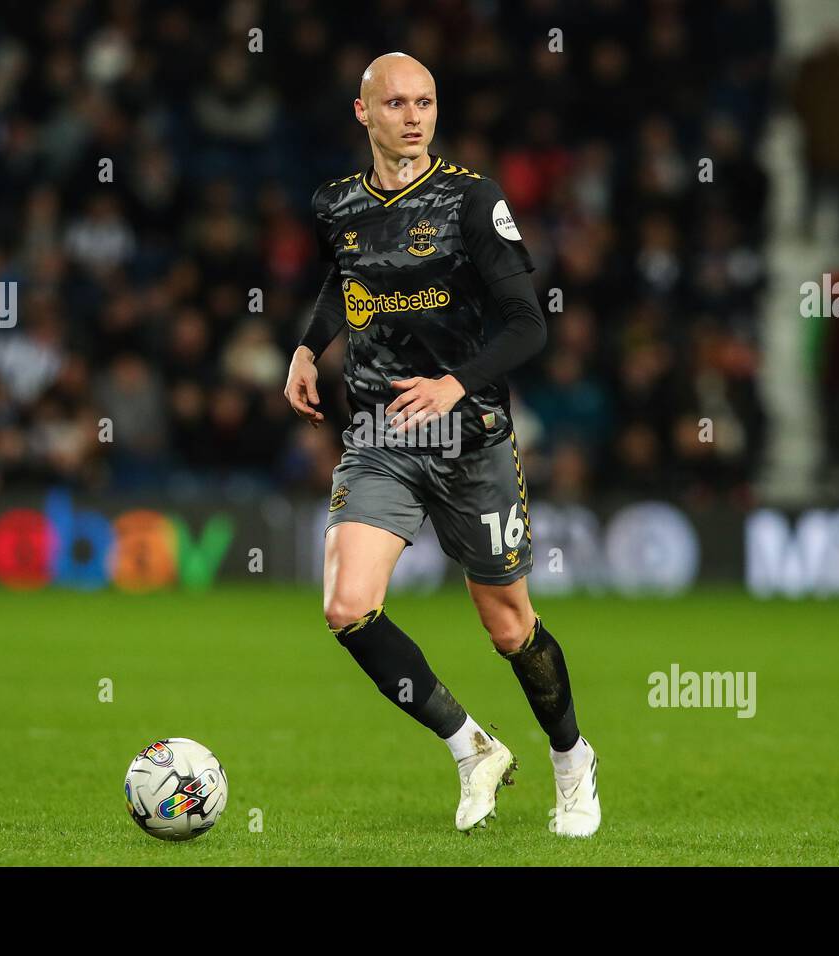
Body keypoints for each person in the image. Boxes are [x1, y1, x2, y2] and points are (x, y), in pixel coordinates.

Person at [283, 52, 599, 836]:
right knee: (348, 606)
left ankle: (572, 760)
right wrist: (305, 347)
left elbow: (529, 324)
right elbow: (343, 278)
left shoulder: (470, 200)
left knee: (508, 626)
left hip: (470, 439)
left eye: (426, 101)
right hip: (382, 435)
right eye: (397, 103)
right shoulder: (336, 205)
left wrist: (456, 383)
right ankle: (471, 748)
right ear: (365, 114)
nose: (415, 116)